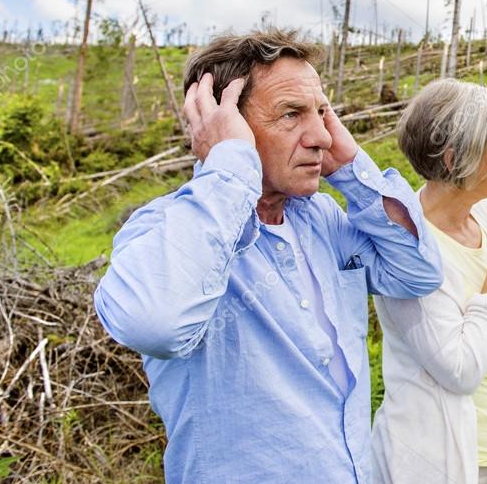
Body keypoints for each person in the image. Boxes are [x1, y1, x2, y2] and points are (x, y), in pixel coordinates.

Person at [93, 31, 443, 483]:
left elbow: (416, 271)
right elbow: (154, 324)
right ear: (223, 125)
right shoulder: (164, 230)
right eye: (291, 115)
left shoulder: (319, 218)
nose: (320, 136)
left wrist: (352, 168)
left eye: (321, 112)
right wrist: (230, 164)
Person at [371, 79, 487, 484]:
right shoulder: (407, 250)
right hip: (444, 463)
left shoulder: (486, 213)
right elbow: (459, 369)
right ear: (455, 160)